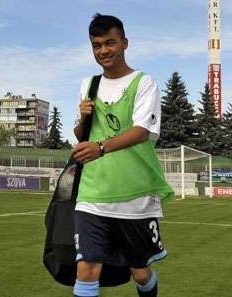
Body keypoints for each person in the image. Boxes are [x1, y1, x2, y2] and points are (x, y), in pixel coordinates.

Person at [70, 14, 174, 297]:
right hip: (92, 192)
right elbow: (83, 136)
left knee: (140, 272)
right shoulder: (88, 84)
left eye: (109, 43)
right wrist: (82, 119)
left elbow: (142, 131)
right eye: (96, 45)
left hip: (134, 195)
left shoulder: (144, 83)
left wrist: (100, 147)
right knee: (86, 268)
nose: (103, 50)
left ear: (124, 43)